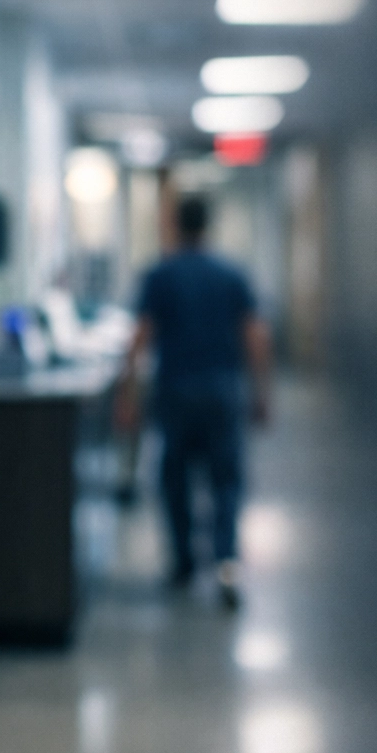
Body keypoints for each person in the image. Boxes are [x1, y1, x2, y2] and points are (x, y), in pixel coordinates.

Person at [116, 191, 272, 609]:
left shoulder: (160, 275)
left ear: (175, 226)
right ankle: (225, 563)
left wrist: (127, 395)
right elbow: (256, 337)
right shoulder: (231, 274)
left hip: (176, 393)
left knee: (175, 479)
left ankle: (184, 563)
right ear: (208, 226)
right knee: (226, 480)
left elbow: (140, 339)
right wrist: (261, 393)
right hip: (223, 392)